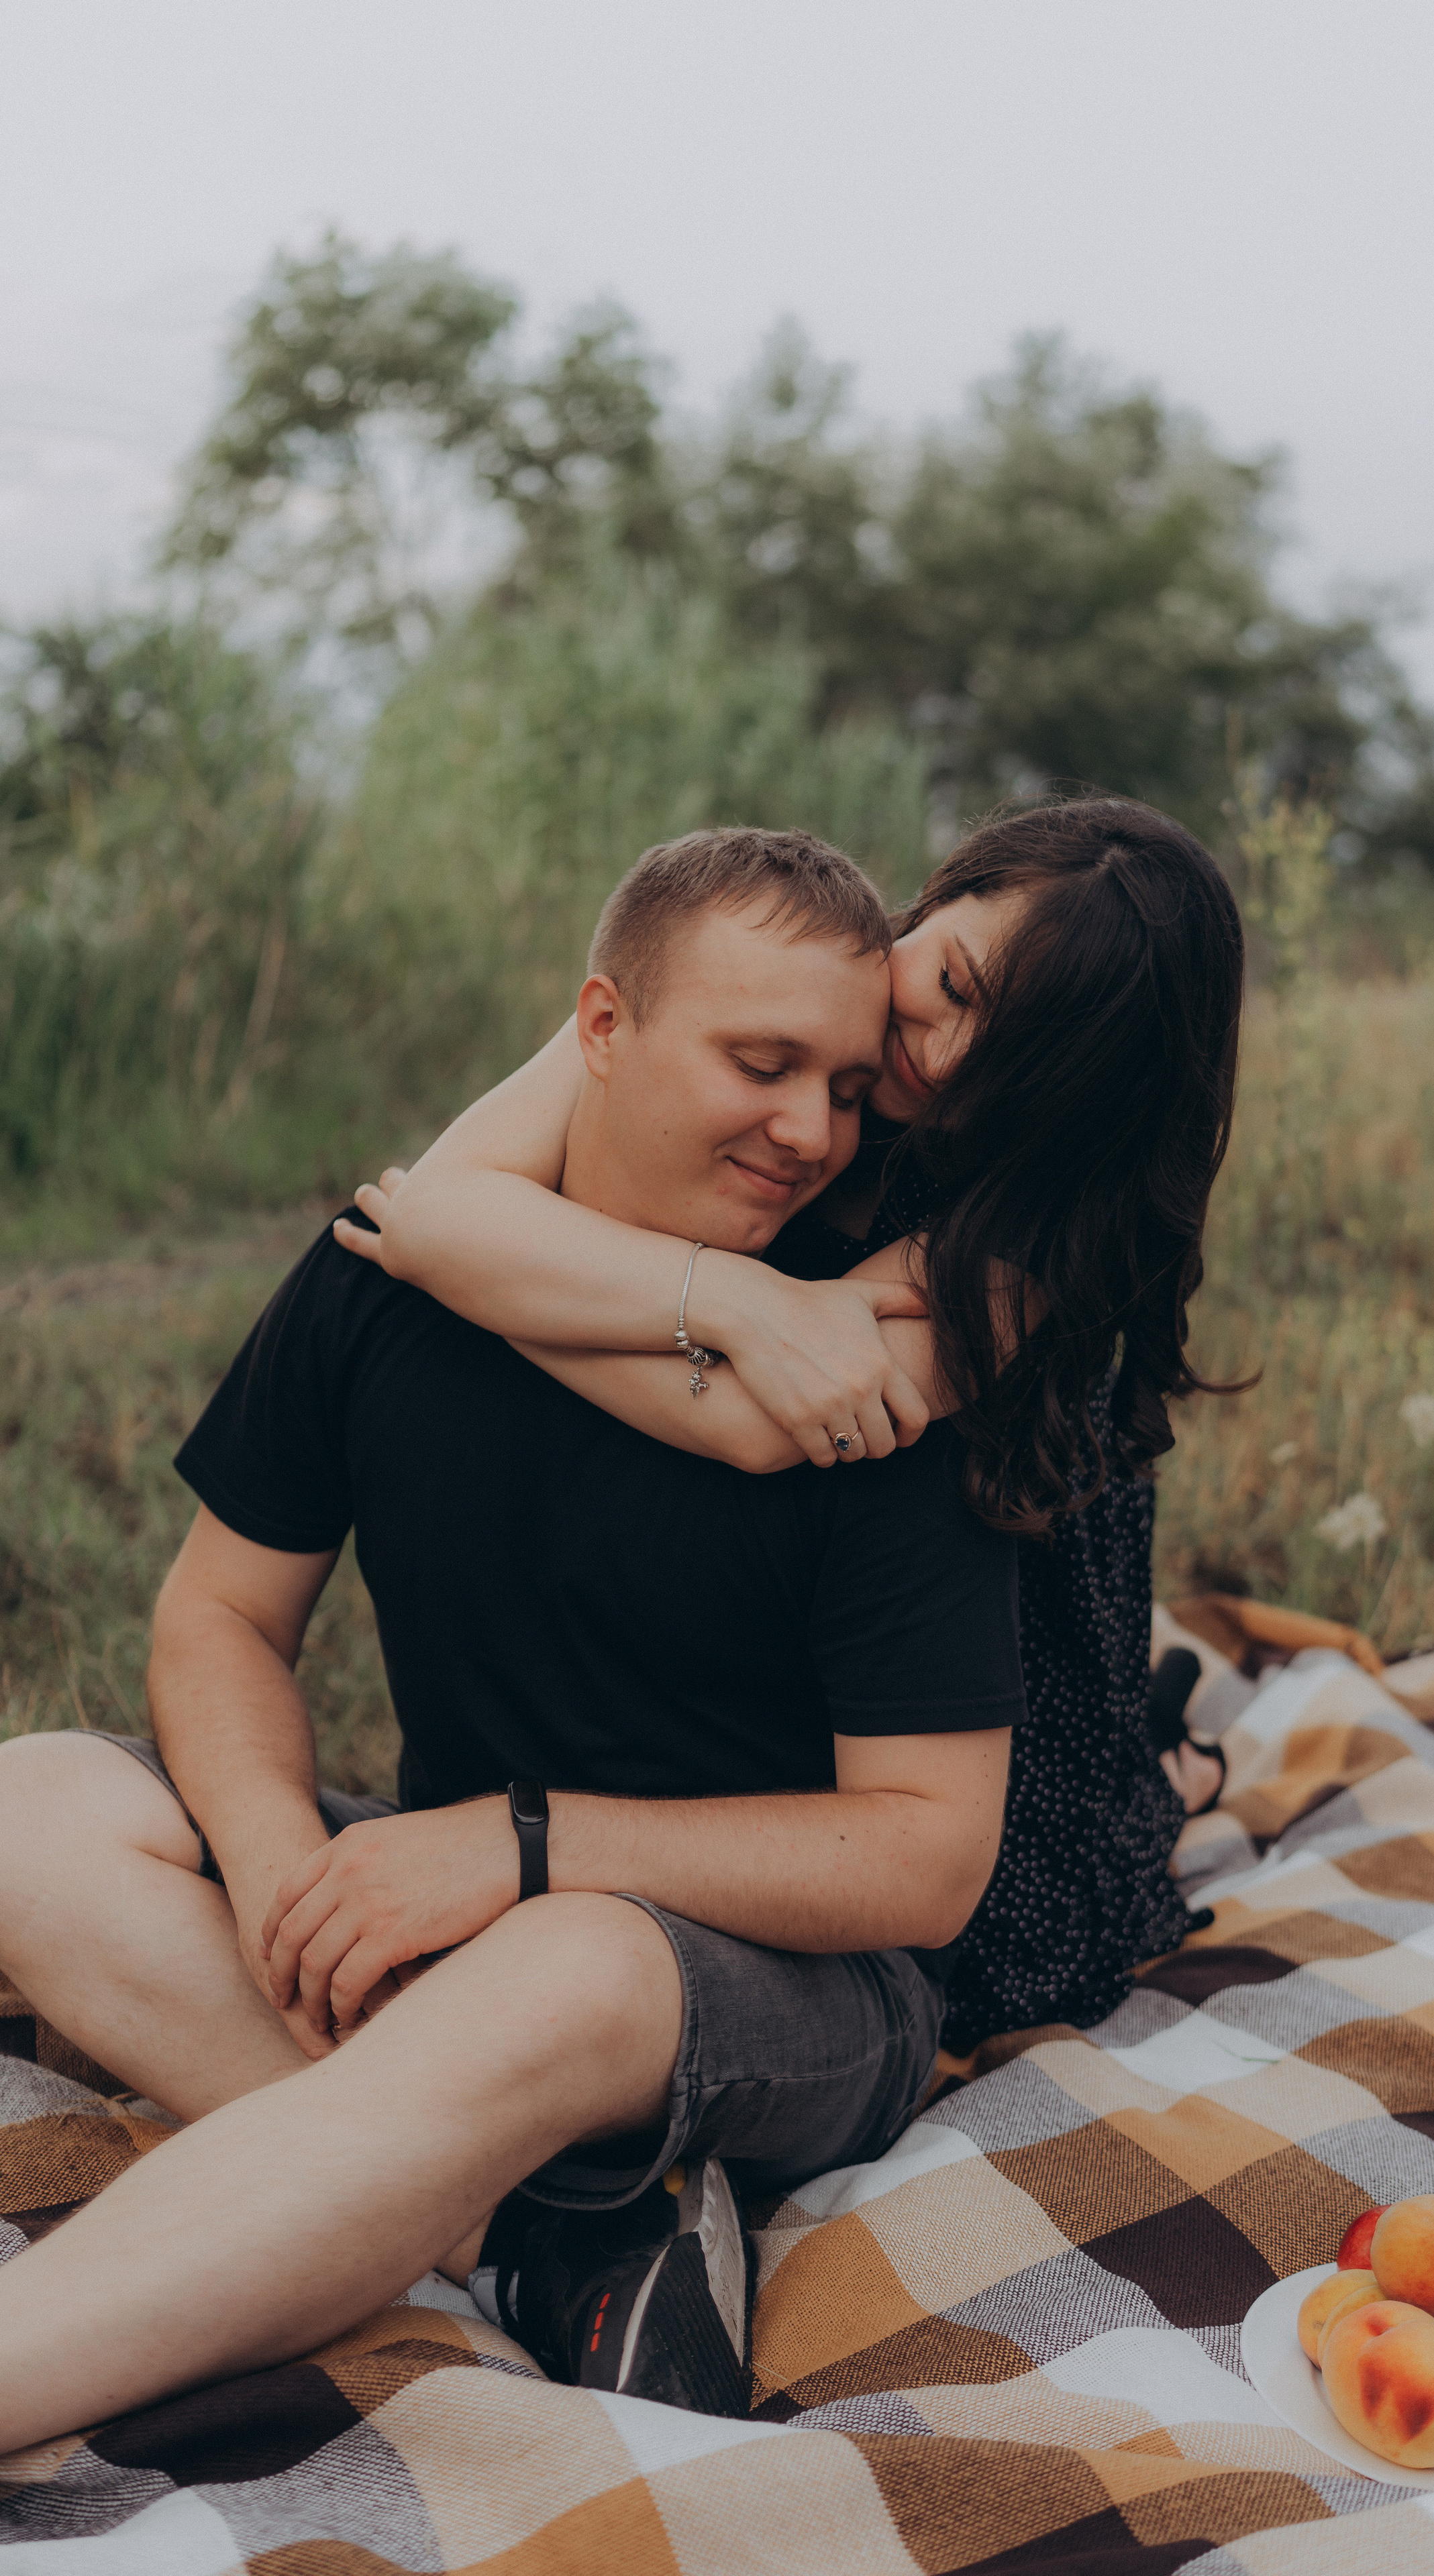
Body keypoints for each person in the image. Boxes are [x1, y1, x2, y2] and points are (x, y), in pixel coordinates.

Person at [0, 828, 1025, 2451]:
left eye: (842, 1087)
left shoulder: (869, 1363)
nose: (810, 1133)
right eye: (759, 1064)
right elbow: (216, 1616)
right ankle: (539, 2230)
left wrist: (526, 1851)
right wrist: (274, 1867)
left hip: (792, 1987)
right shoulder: (401, 1265)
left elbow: (924, 1861)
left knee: (568, 1958)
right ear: (600, 1032)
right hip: (465, 1897)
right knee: (27, 1808)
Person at [342, 794, 1246, 2049]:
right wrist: (736, 1300)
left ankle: (1158, 1756)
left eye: (1025, 1051)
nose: (952, 1051)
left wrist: (482, 1275)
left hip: (982, 1596)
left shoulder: (1036, 1243)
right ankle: (1171, 1733)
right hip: (789, 1595)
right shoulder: (777, 968)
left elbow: (773, 1426)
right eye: (957, 979)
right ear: (937, 895)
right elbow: (444, 1204)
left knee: (1027, 1833)